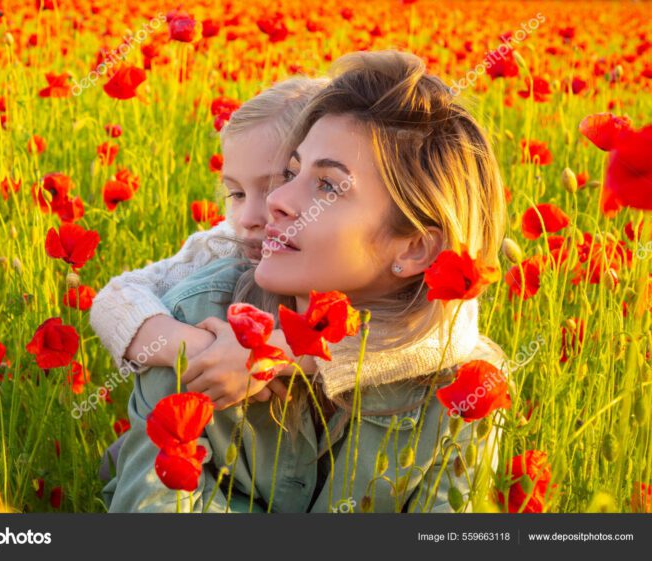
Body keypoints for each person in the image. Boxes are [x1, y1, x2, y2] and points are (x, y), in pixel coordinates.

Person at [105, 50, 510, 513]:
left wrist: (287, 355)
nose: (276, 200)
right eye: (293, 172)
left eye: (327, 186)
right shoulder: (196, 325)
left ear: (415, 248)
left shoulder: (462, 392)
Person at [91, 77, 328, 483]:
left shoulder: (356, 259)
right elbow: (114, 301)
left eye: (272, 188)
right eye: (236, 194)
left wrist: (263, 354)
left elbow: (408, 340)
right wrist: (207, 349)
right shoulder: (227, 244)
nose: (250, 217)